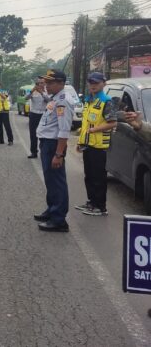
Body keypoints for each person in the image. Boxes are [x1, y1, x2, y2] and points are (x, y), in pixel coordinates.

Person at [34, 69, 74, 232]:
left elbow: (64, 130)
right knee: (50, 180)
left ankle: (59, 220)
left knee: (57, 181)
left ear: (60, 83)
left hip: (53, 145)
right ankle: (52, 210)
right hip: (47, 143)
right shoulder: (55, 98)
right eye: (46, 82)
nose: (46, 85)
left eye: (50, 83)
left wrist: (59, 154)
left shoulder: (63, 101)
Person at [74, 72, 117, 216]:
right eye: (91, 83)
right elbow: (86, 123)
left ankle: (100, 207)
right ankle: (91, 202)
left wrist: (94, 130)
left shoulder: (107, 101)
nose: (93, 85)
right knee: (89, 176)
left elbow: (112, 123)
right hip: (88, 144)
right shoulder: (89, 100)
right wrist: (80, 141)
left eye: (96, 83)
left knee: (98, 177)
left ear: (103, 84)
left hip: (99, 147)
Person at [26, 79, 51, 158]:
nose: (40, 84)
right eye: (38, 83)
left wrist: (41, 93)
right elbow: (26, 98)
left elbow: (49, 100)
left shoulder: (48, 92)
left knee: (43, 134)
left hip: (43, 115)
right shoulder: (33, 91)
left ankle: (44, 152)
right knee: (33, 134)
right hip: (33, 114)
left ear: (45, 84)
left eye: (42, 83)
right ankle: (33, 152)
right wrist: (31, 91)